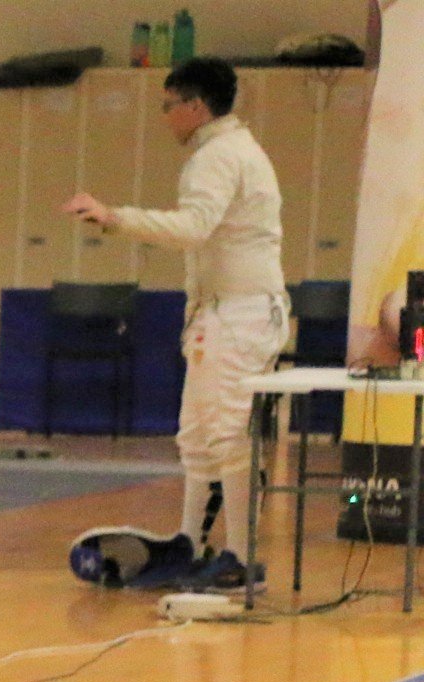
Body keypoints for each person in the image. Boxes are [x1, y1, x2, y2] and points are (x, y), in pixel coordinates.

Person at [66, 57, 286, 594]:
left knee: (228, 436)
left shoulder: (220, 155)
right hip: (221, 314)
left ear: (195, 106)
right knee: (197, 436)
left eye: (168, 106)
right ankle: (191, 542)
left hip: (242, 314)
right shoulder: (229, 150)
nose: (165, 118)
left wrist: (117, 218)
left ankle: (237, 557)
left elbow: (193, 228)